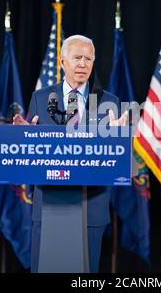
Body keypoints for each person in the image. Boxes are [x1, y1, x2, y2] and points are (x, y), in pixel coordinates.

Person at [13, 35, 127, 273]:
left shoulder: (110, 102)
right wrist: (23, 137)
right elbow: (31, 154)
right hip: (48, 207)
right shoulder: (41, 98)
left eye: (88, 58)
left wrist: (120, 137)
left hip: (91, 209)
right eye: (77, 57)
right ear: (63, 62)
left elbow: (117, 161)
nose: (83, 64)